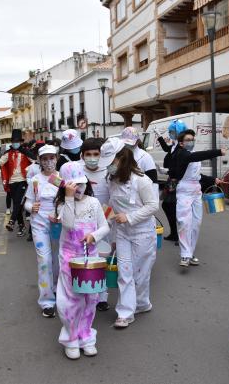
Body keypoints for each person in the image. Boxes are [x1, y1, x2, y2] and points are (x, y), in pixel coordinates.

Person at [55, 161, 110, 360]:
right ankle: (70, 338)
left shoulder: (94, 203)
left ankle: (86, 336)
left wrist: (94, 236)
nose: (79, 188)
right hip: (70, 259)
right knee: (71, 300)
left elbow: (105, 227)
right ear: (66, 186)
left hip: (91, 258)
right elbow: (69, 225)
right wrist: (69, 198)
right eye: (74, 185)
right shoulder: (63, 204)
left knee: (91, 298)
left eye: (82, 183)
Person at [104, 140, 159, 329]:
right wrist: (110, 235)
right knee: (125, 272)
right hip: (122, 233)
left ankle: (142, 303)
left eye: (111, 161)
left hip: (143, 232)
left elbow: (153, 206)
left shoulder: (142, 181)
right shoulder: (111, 180)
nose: (108, 166)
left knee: (141, 274)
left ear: (121, 159)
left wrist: (130, 217)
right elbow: (111, 207)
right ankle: (125, 312)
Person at [172, 129, 225, 267]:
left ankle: (190, 252)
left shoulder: (192, 156)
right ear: (181, 144)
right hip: (184, 191)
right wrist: (218, 152)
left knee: (196, 224)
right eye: (188, 140)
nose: (191, 142)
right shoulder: (181, 154)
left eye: (192, 139)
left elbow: (197, 176)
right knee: (184, 223)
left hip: (196, 191)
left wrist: (213, 180)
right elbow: (198, 156)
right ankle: (184, 255)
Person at [24, 145, 60, 318]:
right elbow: (27, 202)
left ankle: (60, 291)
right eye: (44, 159)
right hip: (39, 224)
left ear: (57, 158)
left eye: (51, 158)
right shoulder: (35, 180)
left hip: (59, 224)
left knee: (59, 259)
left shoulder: (62, 177)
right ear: (40, 160)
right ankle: (47, 301)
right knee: (44, 260)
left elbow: (72, 198)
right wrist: (32, 207)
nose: (48, 162)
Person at [81, 137, 110, 312]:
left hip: (106, 223)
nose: (92, 157)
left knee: (103, 259)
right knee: (87, 259)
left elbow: (115, 195)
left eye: (96, 154)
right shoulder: (77, 171)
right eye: (88, 154)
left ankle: (102, 296)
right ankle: (87, 292)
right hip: (83, 224)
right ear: (82, 156)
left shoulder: (108, 171)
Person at [0, 129, 34, 236]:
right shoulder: (8, 154)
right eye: (13, 141)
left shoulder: (25, 152)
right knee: (17, 205)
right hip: (12, 182)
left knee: (17, 203)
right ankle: (21, 226)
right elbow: (0, 163)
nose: (15, 143)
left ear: (20, 142)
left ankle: (11, 222)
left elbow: (35, 160)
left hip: (23, 181)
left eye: (17, 141)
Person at [156, 120, 187, 243]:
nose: (170, 134)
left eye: (172, 132)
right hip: (172, 179)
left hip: (176, 180)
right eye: (170, 132)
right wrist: (159, 135)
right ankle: (175, 233)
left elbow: (180, 165)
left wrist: (167, 170)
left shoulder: (181, 147)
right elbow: (165, 148)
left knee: (173, 206)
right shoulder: (175, 145)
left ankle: (180, 234)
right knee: (167, 205)